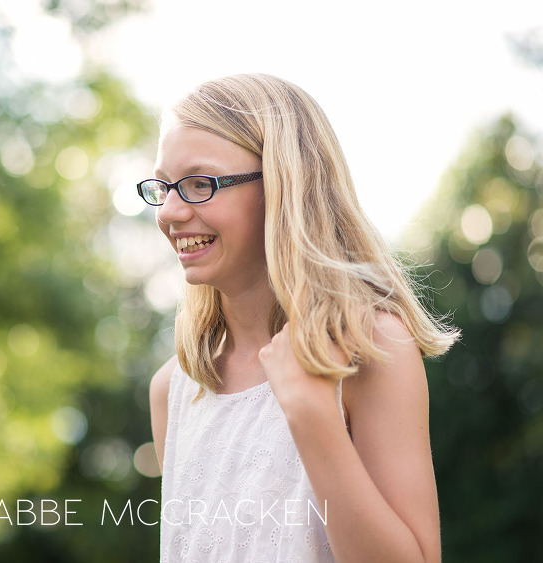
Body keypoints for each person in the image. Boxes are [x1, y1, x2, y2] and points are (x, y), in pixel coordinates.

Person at [139, 73, 460, 562]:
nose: (169, 211)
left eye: (199, 184)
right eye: (162, 187)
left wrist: (312, 415)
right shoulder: (175, 390)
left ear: (283, 186)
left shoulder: (370, 349)